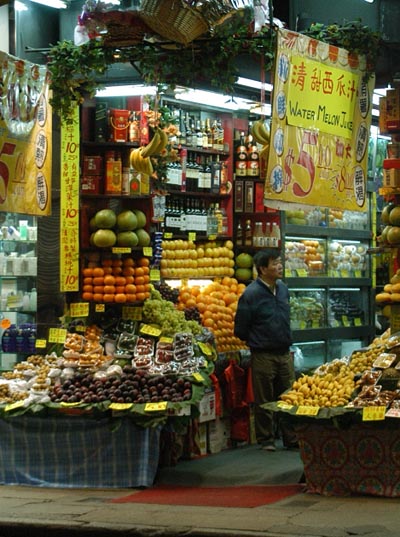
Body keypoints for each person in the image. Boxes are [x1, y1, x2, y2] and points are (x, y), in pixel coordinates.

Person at [234, 248, 297, 451]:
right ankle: (266, 439)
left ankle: (291, 437)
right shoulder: (251, 294)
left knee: (288, 396)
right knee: (264, 399)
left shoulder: (283, 289)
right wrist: (257, 341)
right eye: (274, 263)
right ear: (262, 269)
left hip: (284, 353)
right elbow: (240, 328)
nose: (280, 266)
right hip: (263, 354)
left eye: (280, 262)